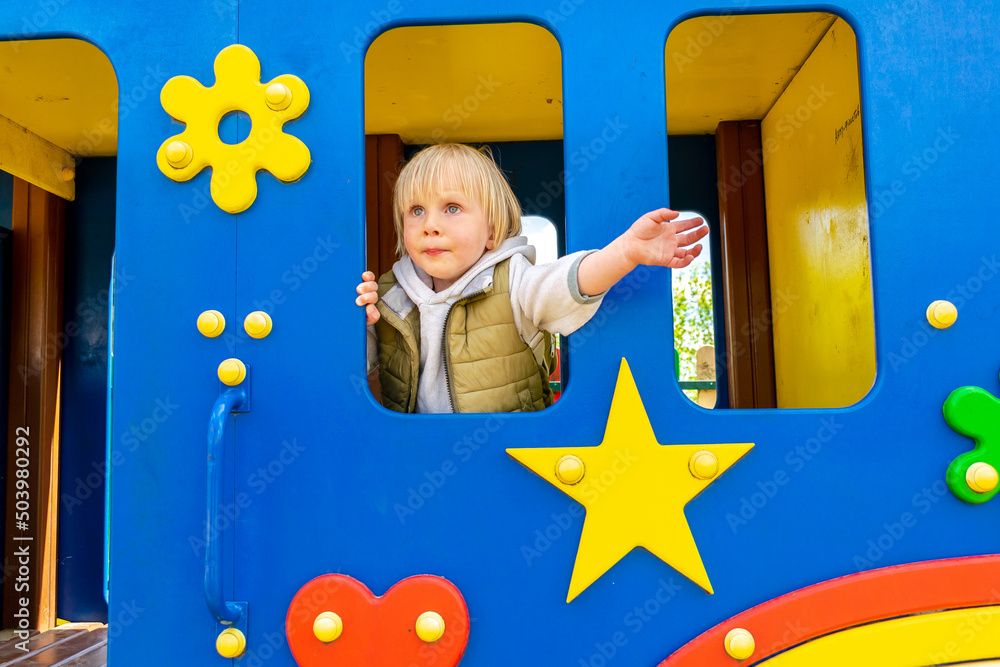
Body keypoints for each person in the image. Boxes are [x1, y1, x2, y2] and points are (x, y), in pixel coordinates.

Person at [356, 143, 707, 414]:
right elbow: (354, 361)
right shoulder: (389, 296)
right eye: (416, 211)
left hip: (508, 459)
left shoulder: (513, 283)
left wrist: (625, 252)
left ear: (491, 231)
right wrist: (361, 324)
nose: (430, 225)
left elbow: (568, 284)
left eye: (452, 208)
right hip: (413, 459)